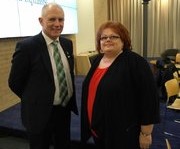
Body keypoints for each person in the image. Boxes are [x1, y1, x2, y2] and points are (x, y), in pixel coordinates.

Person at [8, 3, 78, 149]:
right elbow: (14, 82)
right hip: (38, 114)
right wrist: (35, 99)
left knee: (63, 144)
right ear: (41, 21)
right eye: (52, 19)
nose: (58, 24)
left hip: (64, 110)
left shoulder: (67, 44)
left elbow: (68, 73)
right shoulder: (27, 47)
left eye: (61, 20)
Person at [81, 21, 160, 149]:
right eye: (104, 37)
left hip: (122, 134)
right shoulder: (97, 60)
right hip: (98, 129)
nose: (108, 40)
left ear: (123, 40)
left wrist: (146, 133)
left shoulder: (136, 63)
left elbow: (149, 100)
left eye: (113, 36)